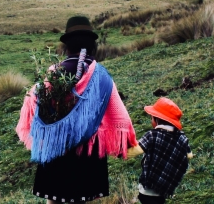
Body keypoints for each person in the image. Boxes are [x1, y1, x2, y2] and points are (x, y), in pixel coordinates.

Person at [16, 16, 137, 203]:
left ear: (68, 46)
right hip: (87, 153)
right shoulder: (101, 76)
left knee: (54, 199)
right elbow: (117, 113)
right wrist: (128, 141)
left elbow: (32, 101)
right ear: (91, 45)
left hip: (56, 149)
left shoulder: (54, 73)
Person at [126, 97, 192, 204]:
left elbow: (134, 151)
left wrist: (117, 150)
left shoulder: (152, 135)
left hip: (147, 190)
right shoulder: (182, 138)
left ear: (157, 119)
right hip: (165, 188)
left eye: (152, 117)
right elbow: (189, 155)